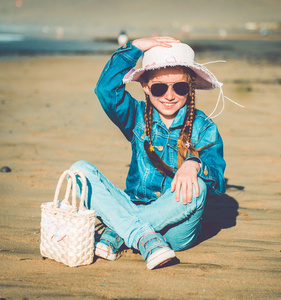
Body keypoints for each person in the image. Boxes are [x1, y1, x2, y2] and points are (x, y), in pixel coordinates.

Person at [70, 37, 227, 270]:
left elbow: (217, 184)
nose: (169, 95)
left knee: (199, 188)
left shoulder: (204, 126)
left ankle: (121, 232)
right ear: (145, 86)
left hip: (176, 230)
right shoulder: (135, 115)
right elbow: (105, 89)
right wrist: (135, 47)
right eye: (159, 87)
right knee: (78, 171)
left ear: (190, 86)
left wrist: (194, 164)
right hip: (134, 204)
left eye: (180, 87)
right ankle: (143, 237)